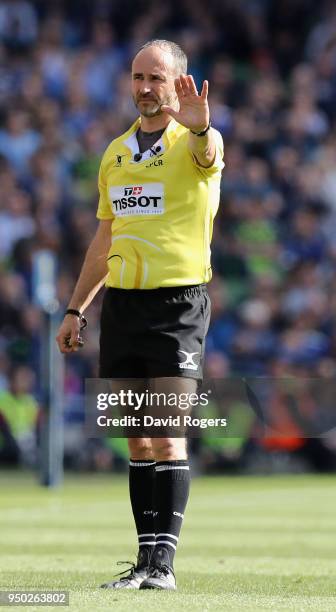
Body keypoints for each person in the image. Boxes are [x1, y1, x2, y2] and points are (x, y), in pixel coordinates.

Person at [56, 39, 224, 591]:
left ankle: (164, 568)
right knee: (137, 438)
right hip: (123, 306)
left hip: (177, 306)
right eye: (137, 78)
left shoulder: (199, 141)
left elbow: (207, 156)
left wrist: (200, 129)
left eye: (156, 77)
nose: (145, 88)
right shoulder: (115, 153)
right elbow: (104, 242)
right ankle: (144, 563)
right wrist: (77, 308)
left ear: (177, 81)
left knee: (167, 433)